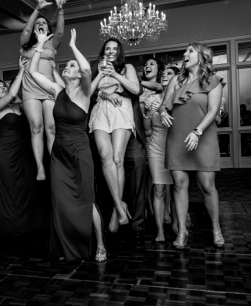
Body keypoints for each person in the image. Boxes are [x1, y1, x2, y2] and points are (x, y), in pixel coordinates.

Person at [31, 29, 106, 262]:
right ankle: (65, 245)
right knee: (61, 202)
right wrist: (40, 45)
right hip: (59, 154)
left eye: (71, 66)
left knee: (86, 199)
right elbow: (33, 72)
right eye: (67, 65)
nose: (68, 67)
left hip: (80, 152)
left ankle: (100, 245)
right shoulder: (57, 90)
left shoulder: (85, 92)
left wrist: (73, 46)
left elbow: (86, 70)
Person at [159, 43, 225, 249]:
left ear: (202, 56)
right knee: (179, 184)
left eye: (190, 51)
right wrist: (162, 112)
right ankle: (182, 231)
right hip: (177, 137)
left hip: (202, 136)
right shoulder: (175, 80)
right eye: (185, 51)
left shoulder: (214, 81)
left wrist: (197, 132)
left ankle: (216, 228)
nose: (184, 54)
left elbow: (213, 110)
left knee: (207, 185)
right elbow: (164, 104)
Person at [89, 38, 142, 232]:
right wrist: (105, 93)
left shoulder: (126, 67)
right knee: (105, 157)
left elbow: (136, 90)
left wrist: (115, 75)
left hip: (120, 110)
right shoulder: (98, 69)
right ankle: (120, 207)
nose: (111, 51)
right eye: (108, 48)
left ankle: (114, 212)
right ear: (103, 52)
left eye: (115, 48)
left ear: (119, 52)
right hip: (101, 112)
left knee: (118, 159)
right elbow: (89, 94)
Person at [0, 58, 43, 235]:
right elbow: (12, 94)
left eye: (4, 86)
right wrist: (20, 70)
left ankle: (26, 223)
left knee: (26, 186)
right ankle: (9, 225)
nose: (3, 88)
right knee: (10, 188)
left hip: (24, 151)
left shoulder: (19, 106)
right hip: (6, 152)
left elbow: (26, 97)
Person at [19, 0, 66, 181]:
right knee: (36, 127)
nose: (40, 24)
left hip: (48, 88)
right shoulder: (25, 46)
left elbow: (61, 31)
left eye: (43, 23)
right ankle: (40, 168)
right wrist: (37, 10)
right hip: (30, 89)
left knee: (52, 128)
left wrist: (60, 10)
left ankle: (54, 163)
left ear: (48, 29)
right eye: (37, 23)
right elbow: (26, 31)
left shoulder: (52, 45)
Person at [142, 66, 178, 241]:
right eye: (163, 74)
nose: (164, 75)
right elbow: (147, 128)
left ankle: (177, 223)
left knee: (177, 188)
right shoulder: (151, 99)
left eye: (169, 74)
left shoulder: (180, 99)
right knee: (159, 190)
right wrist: (148, 112)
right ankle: (160, 232)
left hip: (176, 148)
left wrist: (164, 110)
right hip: (156, 147)